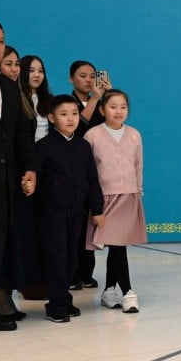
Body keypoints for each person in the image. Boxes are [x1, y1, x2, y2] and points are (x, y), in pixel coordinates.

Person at [0, 19, 37, 332]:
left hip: (0, 187)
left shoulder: (9, 87)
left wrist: (29, 167)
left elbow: (19, 136)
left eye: (0, 40)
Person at [36, 94, 104, 323]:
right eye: (64, 114)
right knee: (55, 257)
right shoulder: (43, 147)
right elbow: (38, 182)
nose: (71, 118)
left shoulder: (83, 146)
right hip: (52, 213)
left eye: (75, 113)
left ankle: (64, 298)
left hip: (77, 213)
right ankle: (56, 304)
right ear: (52, 118)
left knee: (71, 258)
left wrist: (97, 209)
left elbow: (92, 180)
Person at [84, 89, 146, 313]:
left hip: (128, 197)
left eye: (123, 107)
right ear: (102, 110)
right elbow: (89, 172)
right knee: (116, 247)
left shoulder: (134, 135)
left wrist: (137, 191)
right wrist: (93, 203)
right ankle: (126, 292)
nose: (118, 111)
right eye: (113, 107)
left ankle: (113, 290)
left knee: (118, 247)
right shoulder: (92, 135)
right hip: (104, 199)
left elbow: (138, 165)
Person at [0, 46, 39, 321]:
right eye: (7, 64)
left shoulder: (19, 98)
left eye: (15, 64)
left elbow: (25, 142)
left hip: (17, 183)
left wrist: (29, 171)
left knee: (14, 242)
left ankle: (4, 294)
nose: (13, 69)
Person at [68, 60, 111, 290]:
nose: (88, 80)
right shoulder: (67, 103)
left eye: (92, 76)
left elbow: (112, 124)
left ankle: (86, 273)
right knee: (74, 224)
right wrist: (94, 99)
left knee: (92, 224)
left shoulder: (102, 101)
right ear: (71, 79)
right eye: (82, 75)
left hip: (99, 169)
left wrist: (107, 96)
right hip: (74, 168)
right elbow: (77, 127)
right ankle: (72, 274)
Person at [20, 55, 53, 142]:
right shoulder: (17, 98)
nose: (37, 75)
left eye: (41, 71)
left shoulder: (49, 99)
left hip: (47, 151)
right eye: (31, 71)